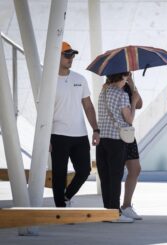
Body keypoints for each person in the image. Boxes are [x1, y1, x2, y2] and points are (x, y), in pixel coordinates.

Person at [50, 41, 100, 208]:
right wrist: (46, 137)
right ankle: (60, 208)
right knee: (59, 174)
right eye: (67, 55)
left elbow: (88, 105)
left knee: (85, 170)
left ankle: (66, 197)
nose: (70, 58)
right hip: (57, 134)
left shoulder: (80, 79)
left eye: (72, 55)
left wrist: (95, 129)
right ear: (56, 56)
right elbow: (44, 111)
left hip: (80, 135)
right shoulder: (48, 82)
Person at [96, 72, 139, 223]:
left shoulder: (104, 91)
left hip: (102, 140)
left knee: (105, 177)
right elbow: (129, 119)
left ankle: (108, 211)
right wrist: (133, 102)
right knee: (115, 177)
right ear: (123, 77)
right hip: (116, 139)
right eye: (127, 74)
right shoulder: (122, 95)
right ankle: (115, 213)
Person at [120, 74, 143, 220]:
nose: (128, 74)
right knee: (116, 172)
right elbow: (129, 117)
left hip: (127, 133)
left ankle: (126, 205)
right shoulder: (113, 89)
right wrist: (133, 103)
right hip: (117, 134)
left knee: (135, 169)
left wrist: (132, 84)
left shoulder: (128, 87)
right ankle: (114, 207)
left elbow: (139, 104)